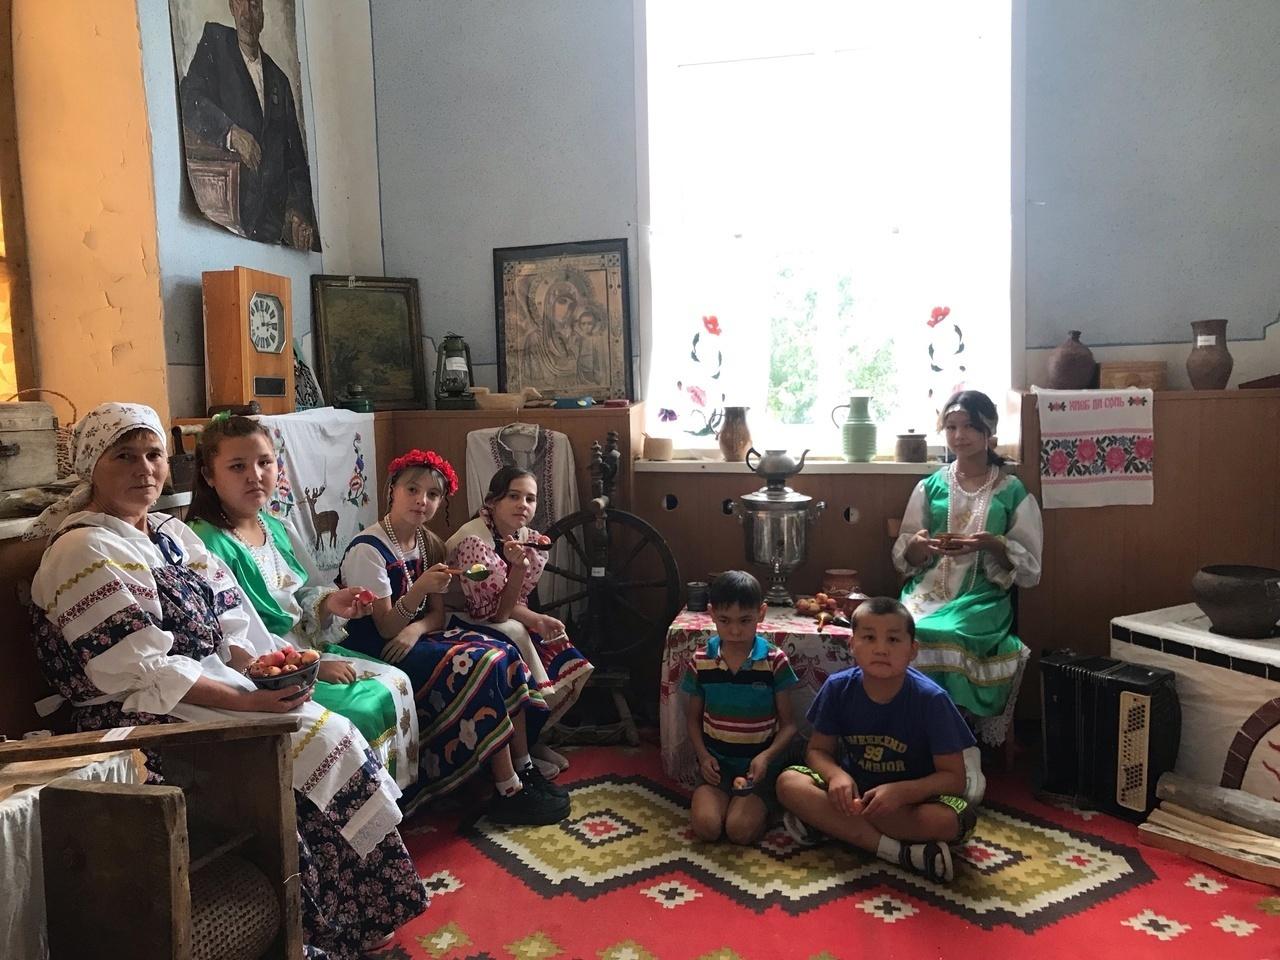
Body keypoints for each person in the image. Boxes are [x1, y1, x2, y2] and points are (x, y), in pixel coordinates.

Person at [25, 403, 426, 957]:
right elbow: (143, 671)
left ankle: (363, 913)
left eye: (153, 455)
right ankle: (319, 933)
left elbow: (232, 614)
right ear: (92, 466)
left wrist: (259, 667)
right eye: (124, 457)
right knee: (292, 742)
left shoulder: (167, 532)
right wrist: (254, 706)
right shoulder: (83, 549)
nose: (144, 469)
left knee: (328, 729)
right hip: (136, 716)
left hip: (202, 684)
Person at [185, 414, 419, 790]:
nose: (254, 475)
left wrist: (332, 602)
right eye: (237, 466)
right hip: (262, 668)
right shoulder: (204, 543)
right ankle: (354, 809)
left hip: (304, 648)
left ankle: (396, 798)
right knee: (359, 709)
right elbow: (231, 636)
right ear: (209, 476)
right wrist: (310, 667)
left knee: (396, 681)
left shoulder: (275, 526)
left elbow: (300, 593)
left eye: (264, 462)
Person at [338, 450, 569, 824]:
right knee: (479, 663)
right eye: (412, 490)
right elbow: (385, 629)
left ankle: (524, 766)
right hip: (376, 648)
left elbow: (436, 615)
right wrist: (419, 592)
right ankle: (507, 788)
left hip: (415, 637)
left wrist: (417, 627)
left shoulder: (427, 543)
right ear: (392, 489)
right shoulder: (369, 549)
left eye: (432, 494)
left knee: (503, 651)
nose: (421, 501)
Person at [776, 597, 978, 883]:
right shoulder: (838, 688)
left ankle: (831, 826)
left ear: (912, 650)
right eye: (869, 638)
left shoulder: (932, 700)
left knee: (952, 821)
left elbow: (954, 779)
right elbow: (818, 751)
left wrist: (902, 792)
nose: (881, 649)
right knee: (789, 783)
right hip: (854, 795)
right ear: (852, 645)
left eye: (893, 639)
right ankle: (899, 852)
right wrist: (836, 776)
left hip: (909, 803)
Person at [892, 389, 1043, 718]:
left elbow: (1030, 568)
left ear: (989, 431)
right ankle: (911, 723)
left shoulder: (1011, 490)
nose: (959, 435)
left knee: (948, 633)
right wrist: (918, 546)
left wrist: (993, 545)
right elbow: (907, 554)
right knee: (905, 628)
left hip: (982, 596)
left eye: (970, 426)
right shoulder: (930, 486)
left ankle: (954, 725)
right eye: (951, 427)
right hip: (928, 589)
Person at [445, 466, 594, 778]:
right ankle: (519, 751)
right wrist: (528, 606)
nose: (523, 505)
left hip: (494, 611)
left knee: (548, 635)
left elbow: (514, 601)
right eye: (513, 496)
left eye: (530, 498)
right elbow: (493, 612)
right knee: (516, 634)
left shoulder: (520, 537)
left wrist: (537, 619)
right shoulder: (474, 540)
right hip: (459, 616)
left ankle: (535, 736)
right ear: (492, 501)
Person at [179, 0, 319, 249]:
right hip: (226, 219)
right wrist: (230, 132)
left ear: (262, 14)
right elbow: (189, 99)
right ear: (232, 7)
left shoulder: (280, 81)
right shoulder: (216, 42)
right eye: (240, 3)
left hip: (273, 228)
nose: (247, 14)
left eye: (254, 5)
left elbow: (296, 164)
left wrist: (297, 211)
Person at [680, 571, 798, 845]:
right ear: (712, 614)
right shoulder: (702, 661)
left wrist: (766, 757)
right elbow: (693, 720)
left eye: (745, 620)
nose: (734, 631)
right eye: (725, 620)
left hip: (758, 768)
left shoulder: (774, 661)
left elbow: (790, 725)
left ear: (761, 613)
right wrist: (703, 757)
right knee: (707, 828)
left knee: (739, 831)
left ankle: (764, 805)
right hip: (717, 766)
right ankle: (731, 800)